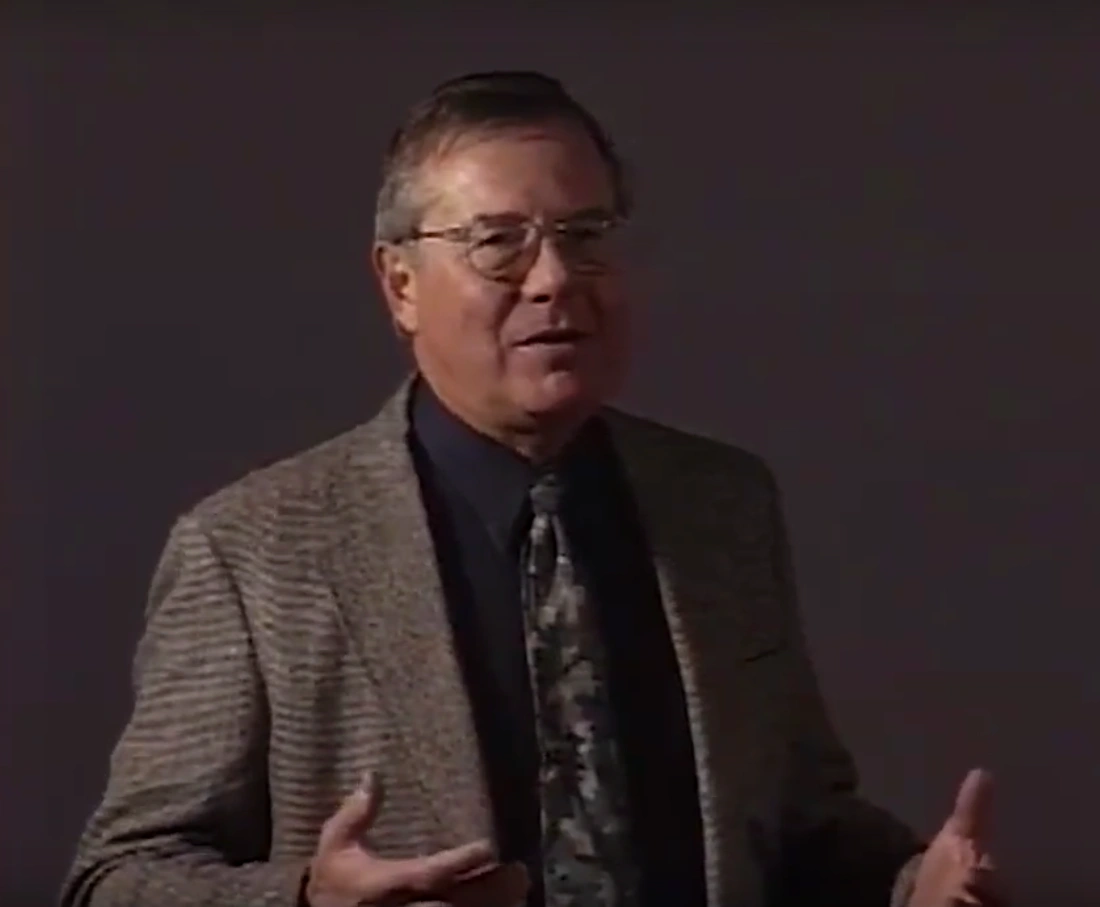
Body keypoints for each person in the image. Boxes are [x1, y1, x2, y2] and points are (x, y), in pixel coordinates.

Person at [60, 71, 1003, 907]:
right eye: (498, 243)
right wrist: (307, 898)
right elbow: (119, 875)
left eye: (585, 236)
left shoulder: (720, 505)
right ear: (399, 285)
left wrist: (907, 884)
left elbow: (795, 825)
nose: (554, 279)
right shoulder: (255, 550)